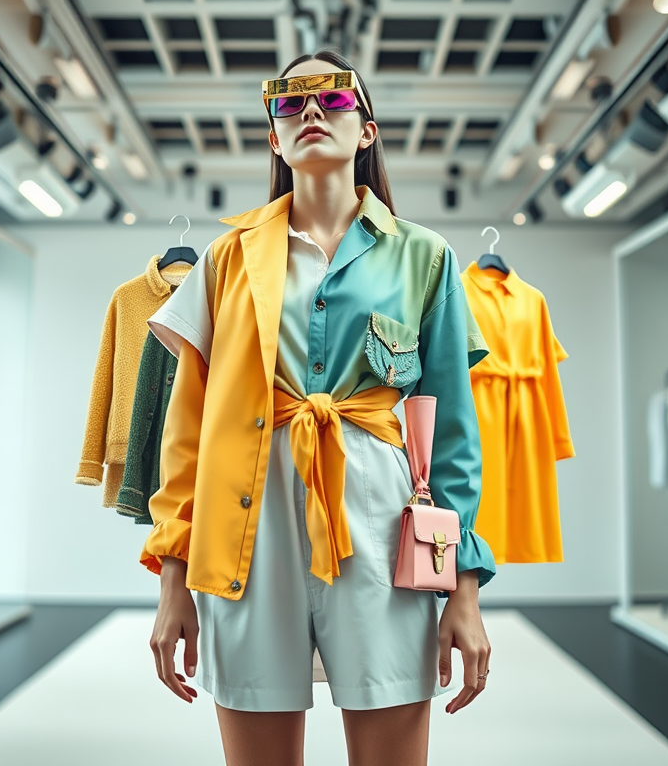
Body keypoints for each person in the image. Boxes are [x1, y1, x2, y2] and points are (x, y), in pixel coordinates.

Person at [142, 48, 497, 766]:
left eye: (333, 97)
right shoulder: (225, 259)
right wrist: (172, 581)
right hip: (248, 532)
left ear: (366, 130)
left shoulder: (424, 256)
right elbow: (186, 437)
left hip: (382, 529)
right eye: (289, 99)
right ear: (274, 136)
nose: (310, 109)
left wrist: (464, 589)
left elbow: (453, 431)